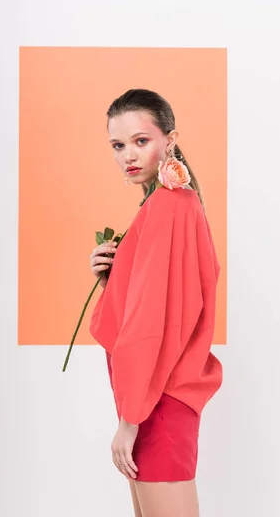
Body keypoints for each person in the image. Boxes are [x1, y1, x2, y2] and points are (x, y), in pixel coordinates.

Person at [88, 89, 223, 517]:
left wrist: (130, 422)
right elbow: (161, 299)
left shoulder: (168, 206)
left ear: (170, 139)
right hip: (151, 398)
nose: (128, 154)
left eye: (141, 140)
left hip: (156, 402)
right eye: (118, 144)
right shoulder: (169, 204)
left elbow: (154, 321)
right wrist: (113, 275)